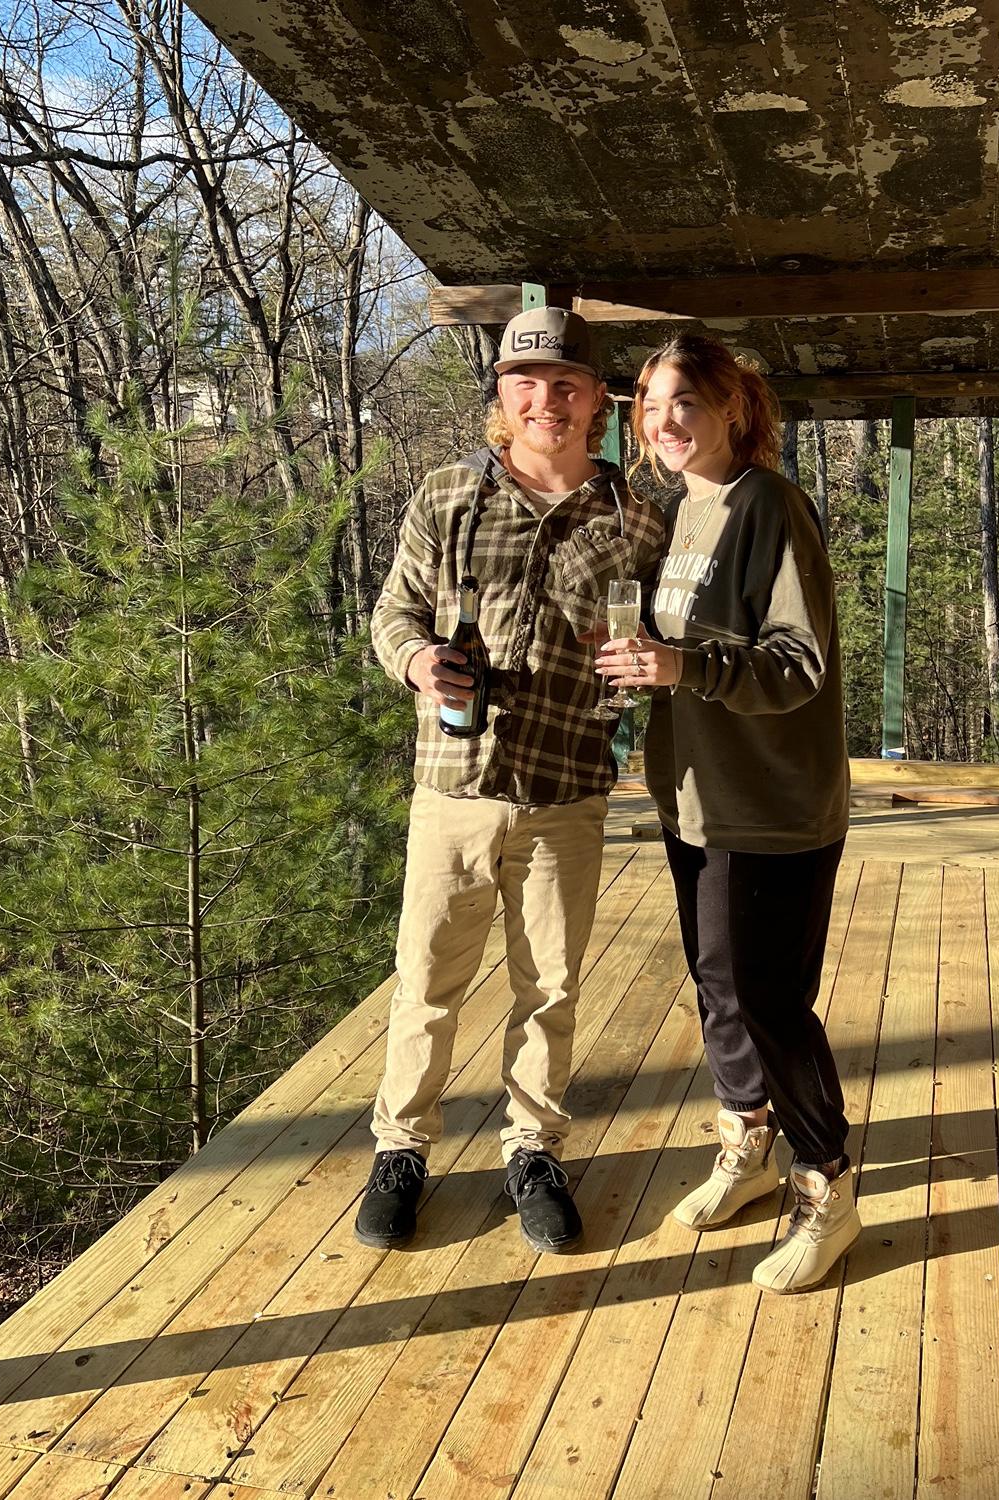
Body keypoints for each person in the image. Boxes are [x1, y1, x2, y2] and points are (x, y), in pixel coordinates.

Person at [358, 306, 665, 1254]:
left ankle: (533, 1151)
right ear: (501, 394)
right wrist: (418, 662)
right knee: (426, 982)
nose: (546, 400)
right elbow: (393, 613)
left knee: (551, 988)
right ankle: (401, 1151)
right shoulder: (450, 495)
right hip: (453, 786)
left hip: (567, 787)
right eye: (526, 382)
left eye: (567, 384)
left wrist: (647, 664)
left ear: (598, 400)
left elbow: (662, 639)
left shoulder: (635, 518)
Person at [595, 332, 857, 1293]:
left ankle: (827, 1182)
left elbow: (799, 661)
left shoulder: (770, 506)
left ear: (734, 410)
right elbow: (682, 652)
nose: (665, 422)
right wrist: (644, 668)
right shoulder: (681, 513)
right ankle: (747, 1141)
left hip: (772, 804)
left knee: (767, 1000)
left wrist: (683, 665)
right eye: (651, 406)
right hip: (695, 798)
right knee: (718, 985)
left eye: (686, 403)